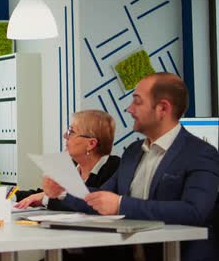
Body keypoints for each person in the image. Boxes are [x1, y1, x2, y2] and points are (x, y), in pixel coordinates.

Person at [43, 72, 219, 261]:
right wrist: (62, 192)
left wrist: (121, 205)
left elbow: (194, 211)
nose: (129, 109)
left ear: (162, 108)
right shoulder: (133, 152)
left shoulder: (200, 153)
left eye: (137, 101)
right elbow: (102, 197)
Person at [14, 109, 120, 211]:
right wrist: (11, 195)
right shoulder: (73, 165)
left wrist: (45, 198)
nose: (65, 135)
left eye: (71, 132)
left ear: (91, 144)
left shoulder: (114, 168)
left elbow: (90, 203)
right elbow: (42, 193)